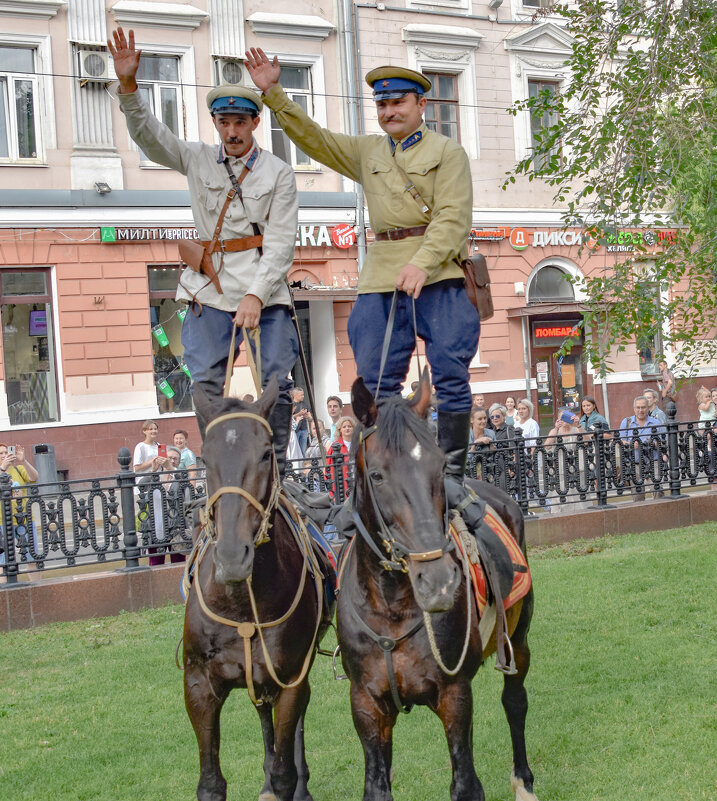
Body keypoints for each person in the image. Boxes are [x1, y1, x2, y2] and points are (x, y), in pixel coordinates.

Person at [246, 51, 479, 480]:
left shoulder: (448, 152)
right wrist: (273, 94)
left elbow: (452, 218)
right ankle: (387, 475)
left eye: (398, 103)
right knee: (375, 383)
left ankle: (451, 479)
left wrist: (422, 263)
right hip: (380, 275)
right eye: (382, 105)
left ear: (420, 106)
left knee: (449, 373)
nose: (389, 112)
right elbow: (315, 139)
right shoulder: (368, 150)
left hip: (440, 273)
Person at [108, 28, 300, 476]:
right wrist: (130, 87)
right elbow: (151, 138)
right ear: (215, 123)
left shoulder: (279, 173)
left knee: (277, 383)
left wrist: (255, 295)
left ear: (255, 123)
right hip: (208, 291)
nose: (232, 130)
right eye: (224, 122)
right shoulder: (197, 159)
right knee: (206, 387)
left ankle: (278, 474)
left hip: (263, 292)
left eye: (240, 122)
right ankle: (220, 471)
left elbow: (281, 243)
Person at [619, 396, 664, 501]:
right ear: (634, 408)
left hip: (653, 460)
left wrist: (653, 443)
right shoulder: (627, 422)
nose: (640, 410)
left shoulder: (656, 422)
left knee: (657, 488)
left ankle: (661, 511)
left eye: (643, 407)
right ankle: (640, 515)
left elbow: (663, 442)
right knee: (637, 493)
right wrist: (630, 444)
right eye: (638, 407)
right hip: (635, 462)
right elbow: (620, 442)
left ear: (648, 408)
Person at [0, 443, 39, 564]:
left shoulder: (18, 469)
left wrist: (23, 461)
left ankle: (36, 584)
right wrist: (2, 469)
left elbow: (34, 477)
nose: (4, 455)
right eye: (1, 453)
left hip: (24, 519)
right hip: (2, 522)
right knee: (3, 563)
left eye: (6, 452)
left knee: (32, 559)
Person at [326, 416, 356, 498]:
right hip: (341, 484)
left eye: (349, 426)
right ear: (340, 430)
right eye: (344, 427)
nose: (347, 429)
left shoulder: (358, 445)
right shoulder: (334, 446)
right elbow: (328, 467)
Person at [291, 387, 310, 455]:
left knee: (303, 450)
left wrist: (306, 416)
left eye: (303, 394)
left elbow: (310, 417)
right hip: (294, 430)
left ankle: (303, 463)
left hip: (304, 429)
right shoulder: (291, 405)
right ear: (295, 395)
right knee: (295, 450)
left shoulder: (304, 404)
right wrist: (299, 414)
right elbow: (288, 417)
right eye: (301, 395)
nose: (303, 396)